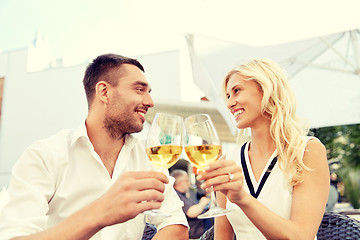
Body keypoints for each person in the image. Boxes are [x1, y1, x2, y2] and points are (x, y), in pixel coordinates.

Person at [0, 53, 189, 240]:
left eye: (149, 92)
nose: (150, 102)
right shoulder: (44, 156)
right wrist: (99, 213)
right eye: (139, 89)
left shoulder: (149, 157)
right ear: (104, 92)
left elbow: (176, 225)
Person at [197, 58, 330, 239]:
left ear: (266, 89)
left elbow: (301, 236)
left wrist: (242, 198)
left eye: (237, 91)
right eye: (228, 96)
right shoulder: (228, 161)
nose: (229, 104)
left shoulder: (307, 150)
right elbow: (222, 236)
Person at [171, 170, 211, 239]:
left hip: (201, 229)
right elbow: (191, 212)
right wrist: (203, 202)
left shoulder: (182, 195)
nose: (189, 183)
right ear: (179, 182)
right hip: (196, 233)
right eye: (187, 181)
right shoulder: (176, 196)